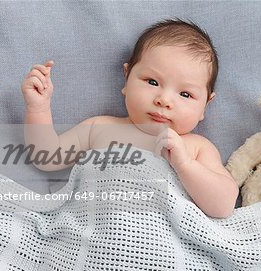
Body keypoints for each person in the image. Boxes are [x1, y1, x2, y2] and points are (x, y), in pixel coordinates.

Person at [21, 19, 238, 218]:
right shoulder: (99, 128)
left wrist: (185, 165)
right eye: (152, 82)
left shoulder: (196, 148)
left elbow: (224, 206)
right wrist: (38, 108)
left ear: (205, 106)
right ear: (127, 77)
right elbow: (46, 157)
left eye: (185, 94)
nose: (164, 100)